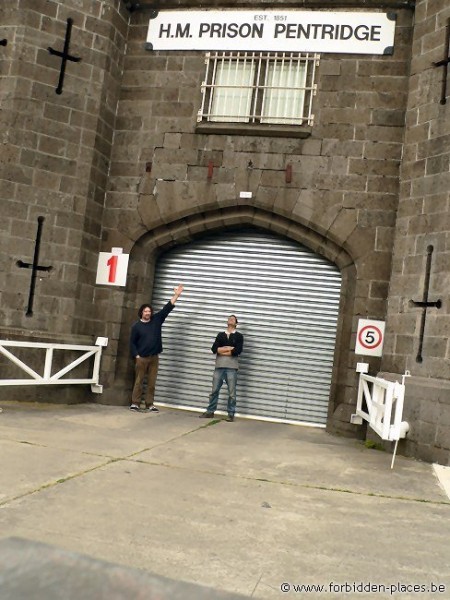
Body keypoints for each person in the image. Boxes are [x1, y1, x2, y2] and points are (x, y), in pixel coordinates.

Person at [129, 284, 184, 412]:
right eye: (145, 311)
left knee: (151, 383)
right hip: (141, 358)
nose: (148, 313)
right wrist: (136, 356)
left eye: (149, 311)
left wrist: (176, 295)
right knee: (139, 381)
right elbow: (132, 342)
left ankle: (149, 404)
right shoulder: (136, 326)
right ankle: (135, 403)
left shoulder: (156, 320)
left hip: (154, 357)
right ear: (141, 313)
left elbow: (167, 308)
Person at [199, 315, 244, 422]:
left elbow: (237, 351)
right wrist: (229, 349)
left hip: (232, 367)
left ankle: (231, 413)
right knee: (214, 391)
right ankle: (210, 411)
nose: (230, 320)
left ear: (236, 323)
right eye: (229, 318)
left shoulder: (239, 336)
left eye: (233, 319)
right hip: (219, 366)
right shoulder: (220, 335)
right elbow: (214, 349)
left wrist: (223, 350)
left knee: (232, 393)